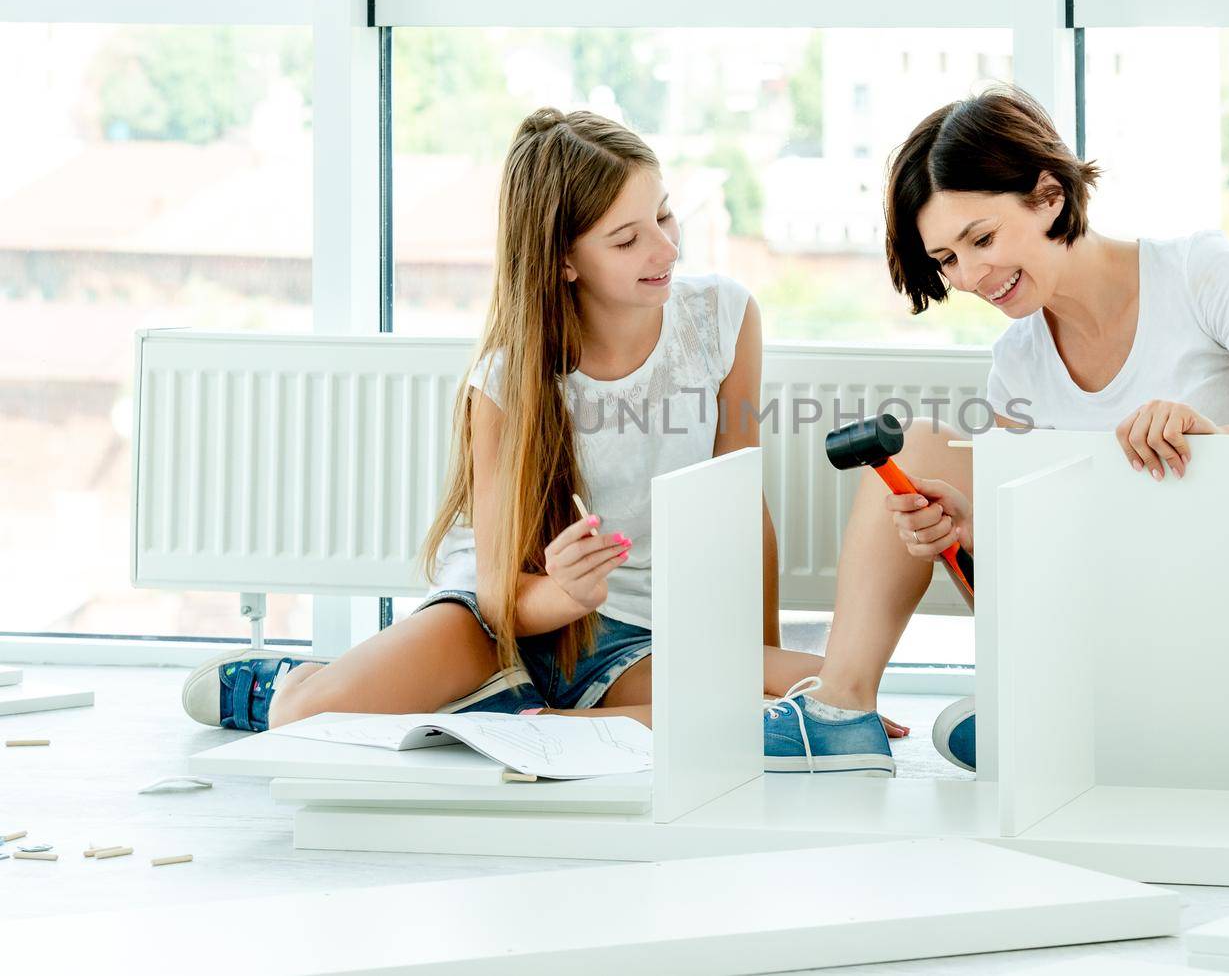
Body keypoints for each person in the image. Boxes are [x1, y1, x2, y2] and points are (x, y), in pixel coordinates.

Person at [762, 84, 1229, 777]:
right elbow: (1008, 598)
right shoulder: (1019, 363)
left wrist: (1216, 444)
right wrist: (972, 532)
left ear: (1050, 195)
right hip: (1113, 617)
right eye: (946, 260)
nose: (971, 276)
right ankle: (842, 712)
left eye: (983, 238)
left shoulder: (1196, 274)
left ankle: (1099, 724)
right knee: (919, 446)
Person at [182, 108, 830, 733]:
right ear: (564, 261)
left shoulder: (723, 318)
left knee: (824, 690)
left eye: (664, 214)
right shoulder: (504, 382)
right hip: (499, 618)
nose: (666, 246)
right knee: (304, 718)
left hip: (641, 633)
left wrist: (754, 661)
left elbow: (741, 506)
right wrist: (569, 594)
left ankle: (535, 718)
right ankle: (288, 683)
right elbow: (500, 597)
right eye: (628, 238)